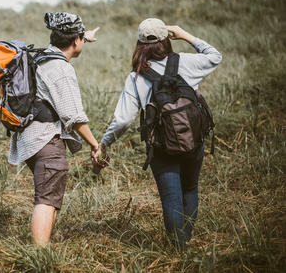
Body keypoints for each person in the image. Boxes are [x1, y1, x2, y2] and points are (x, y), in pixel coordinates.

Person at [93, 18, 222, 248]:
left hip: (161, 146)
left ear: (139, 43)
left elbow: (123, 120)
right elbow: (215, 56)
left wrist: (104, 144)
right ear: (166, 39)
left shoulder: (137, 76)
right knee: (190, 189)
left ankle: (178, 248)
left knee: (171, 198)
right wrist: (186, 35)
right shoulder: (185, 61)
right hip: (193, 140)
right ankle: (185, 243)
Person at [8, 12, 100, 245]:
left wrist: (85, 37)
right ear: (74, 40)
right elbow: (74, 116)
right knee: (47, 200)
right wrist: (95, 145)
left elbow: (69, 42)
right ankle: (38, 257)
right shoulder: (61, 68)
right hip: (46, 139)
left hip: (29, 139)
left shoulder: (41, 57)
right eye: (80, 38)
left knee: (49, 195)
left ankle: (42, 246)